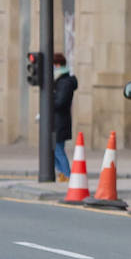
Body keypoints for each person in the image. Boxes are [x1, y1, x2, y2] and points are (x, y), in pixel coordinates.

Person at [51, 53, 78, 181]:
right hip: (56, 120)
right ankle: (62, 173)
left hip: (60, 121)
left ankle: (67, 174)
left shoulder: (64, 82)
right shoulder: (59, 81)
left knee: (58, 149)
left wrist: (49, 102)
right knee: (53, 149)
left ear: (57, 65)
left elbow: (61, 102)